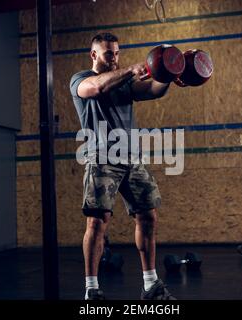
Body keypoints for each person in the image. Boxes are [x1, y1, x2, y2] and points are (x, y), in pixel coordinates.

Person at [69, 32, 176, 300]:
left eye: (117, 53)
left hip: (132, 158)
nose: (114, 58)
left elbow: (154, 89)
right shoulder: (80, 80)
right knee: (97, 223)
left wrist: (170, 73)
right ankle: (91, 290)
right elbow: (97, 88)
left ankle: (150, 284)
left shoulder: (125, 84)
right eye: (109, 54)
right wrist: (130, 70)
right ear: (94, 55)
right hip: (101, 157)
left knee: (148, 215)